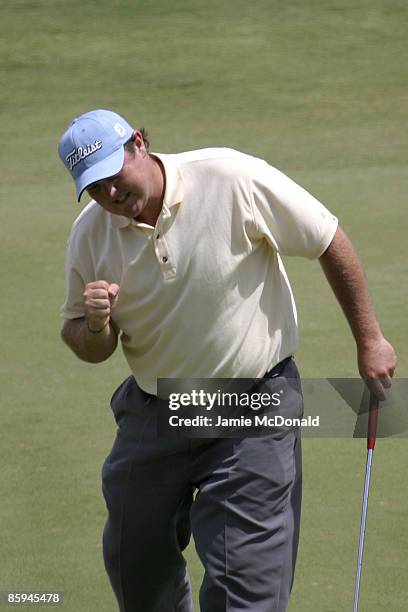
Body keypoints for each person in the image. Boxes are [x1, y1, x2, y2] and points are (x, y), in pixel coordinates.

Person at [58, 109, 396, 612]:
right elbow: (88, 346)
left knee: (246, 591)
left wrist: (369, 339)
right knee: (136, 564)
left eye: (114, 175)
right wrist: (94, 324)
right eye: (95, 187)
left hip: (251, 408)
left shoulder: (230, 177)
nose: (111, 193)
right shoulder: (91, 234)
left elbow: (328, 239)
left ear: (139, 144)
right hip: (156, 411)